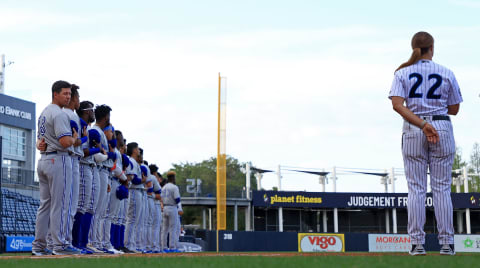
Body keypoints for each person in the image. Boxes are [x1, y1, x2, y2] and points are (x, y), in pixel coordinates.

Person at [389, 31, 462, 256]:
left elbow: (397, 105)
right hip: (441, 126)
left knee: (416, 189)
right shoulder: (446, 72)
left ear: (414, 48)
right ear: (432, 47)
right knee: (441, 188)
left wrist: (422, 124)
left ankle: (417, 244)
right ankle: (447, 244)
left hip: (414, 128)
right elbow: (454, 109)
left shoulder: (402, 72)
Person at [32, 80, 79, 255]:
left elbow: (39, 141)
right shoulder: (59, 114)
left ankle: (38, 246)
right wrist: (74, 138)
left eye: (69, 94)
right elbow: (66, 142)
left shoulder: (44, 112)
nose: (68, 97)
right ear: (55, 94)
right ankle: (59, 245)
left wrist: (40, 145)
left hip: (44, 160)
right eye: (65, 93)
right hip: (58, 160)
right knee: (61, 205)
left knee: (44, 206)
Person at [124, 142, 147, 253]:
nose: (138, 150)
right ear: (134, 150)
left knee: (135, 220)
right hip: (133, 190)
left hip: (138, 191)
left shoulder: (135, 163)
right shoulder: (132, 161)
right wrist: (143, 180)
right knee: (132, 219)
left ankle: (131, 244)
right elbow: (134, 179)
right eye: (137, 148)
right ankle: (128, 244)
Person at [161, 171, 182, 252]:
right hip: (172, 207)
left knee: (164, 229)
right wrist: (180, 208)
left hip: (165, 207)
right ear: (173, 178)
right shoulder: (174, 187)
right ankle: (172, 247)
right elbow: (177, 199)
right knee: (172, 228)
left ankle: (164, 247)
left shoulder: (164, 187)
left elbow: (161, 199)